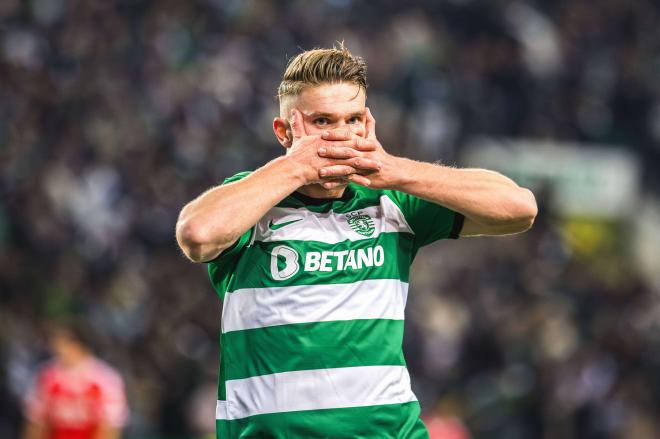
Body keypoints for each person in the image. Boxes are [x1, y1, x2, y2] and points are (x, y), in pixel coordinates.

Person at [175, 45, 537, 438]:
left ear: (367, 124)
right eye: (322, 121)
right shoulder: (254, 201)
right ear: (284, 132)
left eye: (352, 120)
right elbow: (197, 234)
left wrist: (396, 169)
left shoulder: (392, 199)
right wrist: (294, 168)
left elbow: (519, 207)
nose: (339, 136)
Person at [22, 322, 128, 439]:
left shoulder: (105, 379)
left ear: (78, 345)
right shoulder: (47, 376)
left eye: (63, 342)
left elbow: (110, 426)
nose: (56, 347)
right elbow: (37, 421)